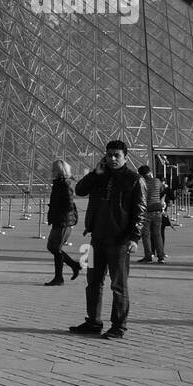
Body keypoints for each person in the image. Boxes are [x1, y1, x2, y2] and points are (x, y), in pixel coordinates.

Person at [71, 140, 144, 340]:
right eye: (109, 155)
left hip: (119, 241)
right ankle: (93, 322)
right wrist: (95, 173)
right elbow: (79, 190)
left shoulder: (134, 180)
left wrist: (134, 238)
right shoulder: (99, 177)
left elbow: (140, 212)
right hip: (96, 239)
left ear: (125, 158)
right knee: (93, 281)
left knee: (118, 285)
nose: (112, 158)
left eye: (116, 155)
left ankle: (119, 326)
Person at [44, 160, 82, 285]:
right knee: (53, 247)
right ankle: (72, 266)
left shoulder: (64, 184)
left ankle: (60, 277)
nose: (51, 171)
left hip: (63, 221)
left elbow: (68, 204)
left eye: (53, 169)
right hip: (60, 220)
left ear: (58, 171)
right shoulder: (60, 183)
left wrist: (57, 210)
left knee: (55, 248)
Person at [137, 165, 168, 264]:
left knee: (146, 235)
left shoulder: (141, 182)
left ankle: (148, 256)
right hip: (157, 210)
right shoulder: (157, 181)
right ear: (149, 172)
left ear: (140, 174)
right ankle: (161, 256)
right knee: (157, 234)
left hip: (146, 211)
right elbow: (162, 192)